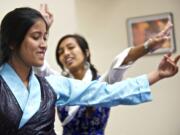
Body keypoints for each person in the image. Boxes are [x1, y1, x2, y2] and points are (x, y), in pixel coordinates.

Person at [0, 6, 179, 135]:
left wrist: (157, 72)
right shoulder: (50, 80)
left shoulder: (53, 84)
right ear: (12, 42)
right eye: (36, 37)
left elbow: (111, 86)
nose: (45, 45)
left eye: (46, 38)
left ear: (86, 52)